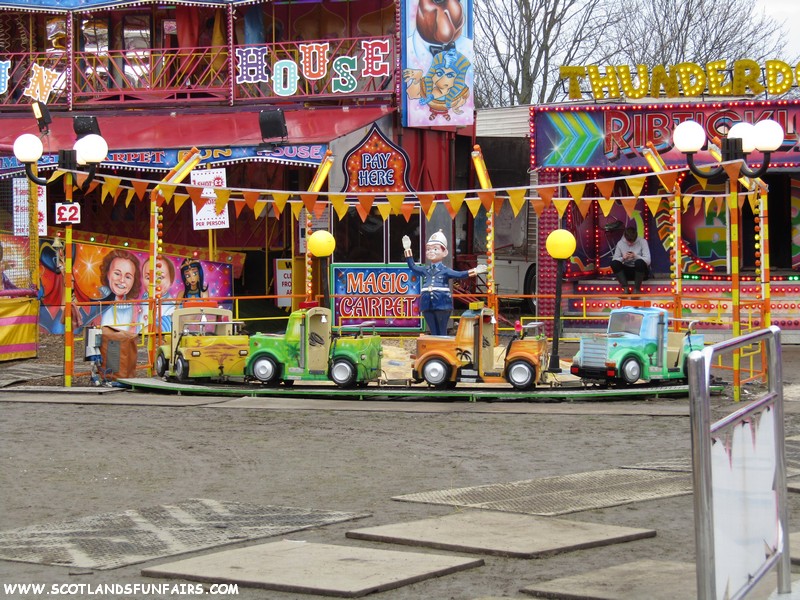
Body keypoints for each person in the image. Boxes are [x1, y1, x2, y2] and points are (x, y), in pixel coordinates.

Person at [403, 229, 486, 336]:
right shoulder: (425, 270)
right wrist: (407, 250)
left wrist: (475, 271)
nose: (431, 251)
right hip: (426, 303)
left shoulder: (445, 270)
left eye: (435, 249)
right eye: (428, 249)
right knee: (432, 330)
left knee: (441, 330)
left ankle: (441, 345)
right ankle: (434, 347)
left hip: (442, 302)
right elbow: (413, 267)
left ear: (444, 252)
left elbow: (460, 274)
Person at [610, 226, 650, 295]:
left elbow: (648, 260)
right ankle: (625, 288)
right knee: (614, 263)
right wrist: (623, 258)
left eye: (632, 242)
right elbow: (614, 260)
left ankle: (637, 289)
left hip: (640, 272)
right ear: (625, 238)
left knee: (639, 262)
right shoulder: (620, 243)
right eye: (628, 241)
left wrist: (635, 256)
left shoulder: (642, 242)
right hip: (627, 271)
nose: (630, 244)